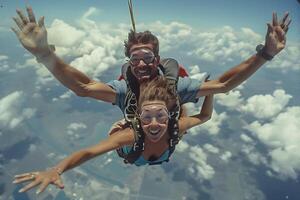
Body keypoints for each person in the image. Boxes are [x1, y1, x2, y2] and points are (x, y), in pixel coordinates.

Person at [11, 7, 291, 120]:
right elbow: (83, 87)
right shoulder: (126, 92)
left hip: (174, 105)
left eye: (148, 58)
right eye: (135, 58)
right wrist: (45, 53)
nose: (142, 64)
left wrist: (265, 54)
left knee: (194, 94)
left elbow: (224, 85)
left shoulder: (174, 86)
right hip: (145, 119)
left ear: (157, 60)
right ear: (128, 62)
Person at [13, 76, 214, 194]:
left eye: (161, 116)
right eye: (147, 117)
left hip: (153, 147)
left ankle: (174, 102)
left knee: (179, 126)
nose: (154, 124)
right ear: (139, 117)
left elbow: (205, 116)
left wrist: (210, 92)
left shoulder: (175, 126)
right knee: (172, 128)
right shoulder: (130, 137)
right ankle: (129, 119)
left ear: (168, 116)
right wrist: (57, 169)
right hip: (135, 149)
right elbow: (89, 152)